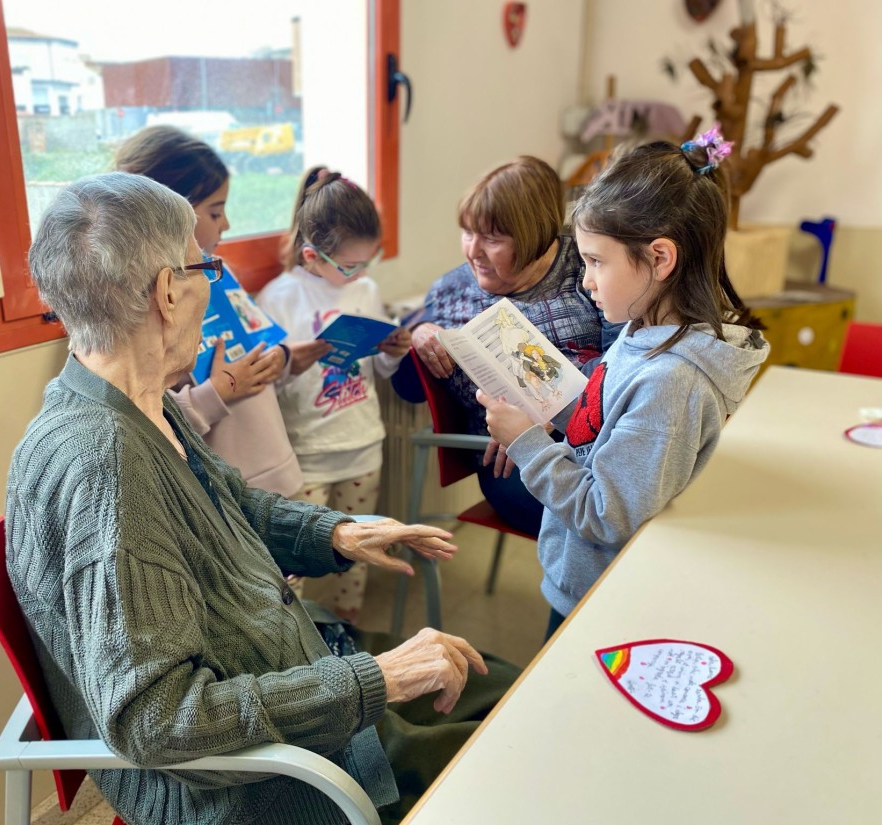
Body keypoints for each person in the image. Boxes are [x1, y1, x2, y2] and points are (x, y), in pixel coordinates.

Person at [7, 172, 513, 825]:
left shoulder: (138, 399)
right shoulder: (105, 468)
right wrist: (377, 679)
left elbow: (231, 508)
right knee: (508, 756)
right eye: (205, 268)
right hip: (256, 779)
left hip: (293, 669)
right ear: (168, 292)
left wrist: (336, 532)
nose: (212, 284)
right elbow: (160, 720)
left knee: (502, 685)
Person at [475, 133, 770, 641]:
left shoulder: (672, 381)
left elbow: (604, 514)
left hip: (605, 595)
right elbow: (602, 421)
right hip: (586, 579)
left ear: (660, 259)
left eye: (596, 261)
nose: (586, 280)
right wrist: (548, 410)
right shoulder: (641, 330)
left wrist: (526, 443)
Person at [406, 157, 622, 536]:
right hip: (509, 463)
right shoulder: (450, 291)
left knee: (632, 499)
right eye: (467, 233)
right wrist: (420, 333)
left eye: (492, 239)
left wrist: (550, 413)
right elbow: (406, 390)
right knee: (609, 520)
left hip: (603, 439)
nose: (473, 252)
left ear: (534, 235)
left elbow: (623, 364)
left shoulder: (586, 268)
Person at [114, 125, 331, 497]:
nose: (226, 225)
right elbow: (143, 427)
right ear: (166, 215)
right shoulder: (133, 312)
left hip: (278, 473)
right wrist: (217, 393)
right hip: (224, 497)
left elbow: (251, 355)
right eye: (215, 212)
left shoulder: (216, 273)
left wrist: (281, 359)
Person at [257, 167, 412, 622]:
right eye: (350, 266)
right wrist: (291, 364)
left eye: (368, 261)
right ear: (311, 255)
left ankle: (348, 622)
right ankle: (297, 641)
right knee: (293, 563)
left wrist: (393, 354)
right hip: (307, 452)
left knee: (359, 550)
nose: (361, 273)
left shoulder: (365, 290)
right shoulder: (278, 298)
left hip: (363, 445)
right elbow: (264, 387)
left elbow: (377, 368)